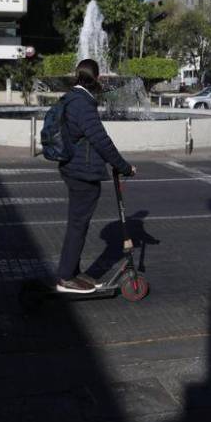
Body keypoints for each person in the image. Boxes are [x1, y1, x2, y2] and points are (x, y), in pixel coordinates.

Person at [55, 58, 135, 294]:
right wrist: (124, 166)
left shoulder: (72, 97)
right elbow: (101, 140)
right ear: (97, 78)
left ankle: (72, 272)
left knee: (77, 224)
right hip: (82, 172)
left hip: (73, 167)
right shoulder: (83, 103)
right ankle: (66, 277)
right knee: (78, 225)